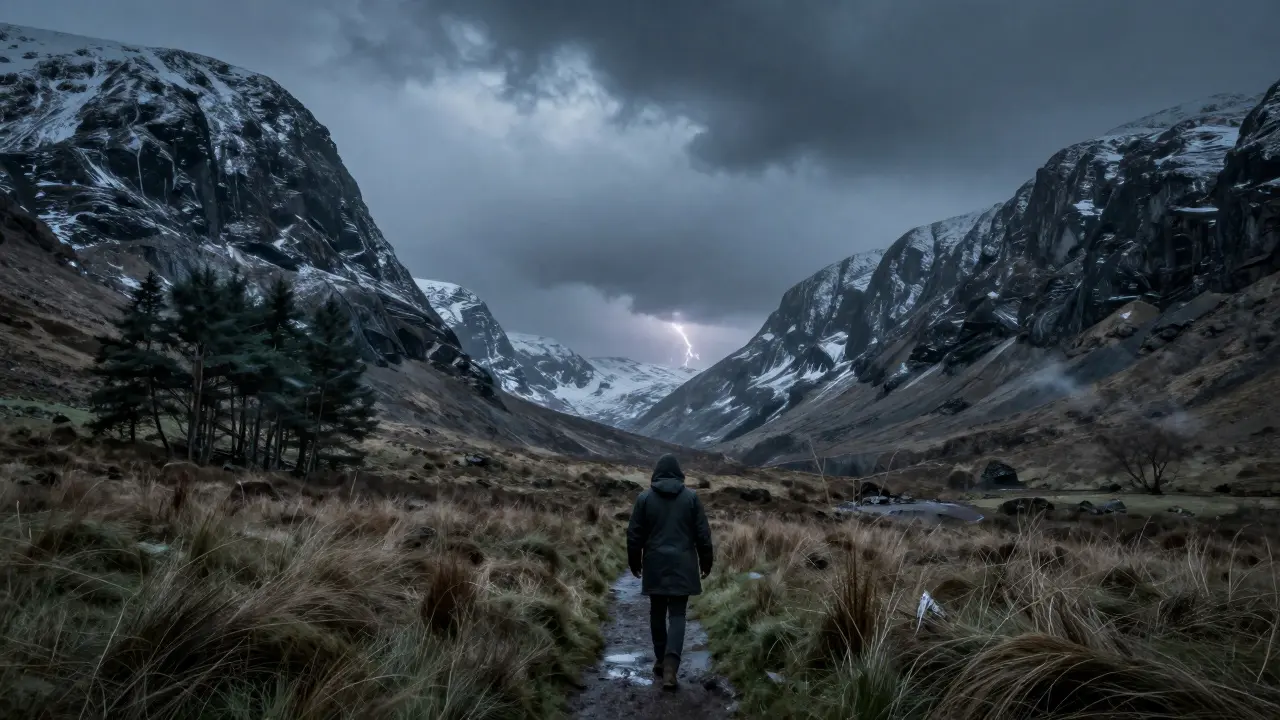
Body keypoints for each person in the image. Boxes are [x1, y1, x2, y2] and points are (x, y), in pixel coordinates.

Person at [626, 453, 714, 691]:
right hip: (683, 564)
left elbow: (634, 534)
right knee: (677, 614)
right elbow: (702, 534)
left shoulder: (644, 499)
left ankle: (660, 658)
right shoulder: (692, 498)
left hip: (655, 563)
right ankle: (670, 668)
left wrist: (634, 560)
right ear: (679, 473)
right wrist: (707, 560)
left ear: (656, 473)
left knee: (657, 610)